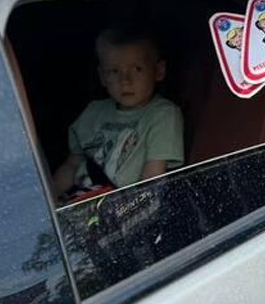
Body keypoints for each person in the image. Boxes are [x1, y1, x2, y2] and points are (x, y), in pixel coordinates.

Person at [53, 26, 184, 202]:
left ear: (158, 71)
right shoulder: (94, 111)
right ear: (102, 76)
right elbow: (72, 165)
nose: (125, 81)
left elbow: (153, 181)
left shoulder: (163, 115)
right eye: (114, 71)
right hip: (79, 200)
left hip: (122, 208)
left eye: (137, 69)